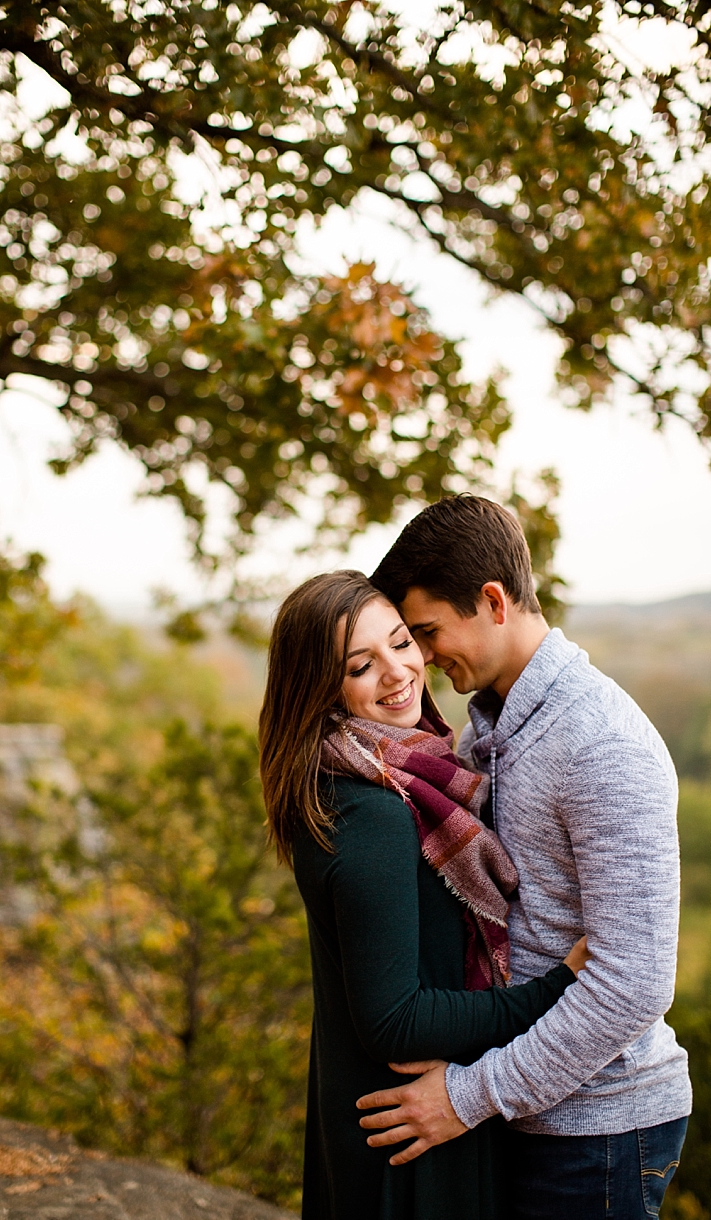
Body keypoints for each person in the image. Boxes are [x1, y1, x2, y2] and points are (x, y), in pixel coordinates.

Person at [358, 494, 691, 1219]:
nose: (419, 657)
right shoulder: (486, 731)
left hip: (598, 1128)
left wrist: (467, 1096)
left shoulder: (600, 743)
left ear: (491, 601)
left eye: (424, 632)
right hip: (521, 1110)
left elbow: (633, 985)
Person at [258, 570, 590, 1220]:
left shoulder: (358, 779)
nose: (396, 671)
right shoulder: (373, 811)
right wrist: (555, 986)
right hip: (410, 1137)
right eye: (360, 664)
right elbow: (393, 1019)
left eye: (401, 642)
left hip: (389, 1122)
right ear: (321, 686)